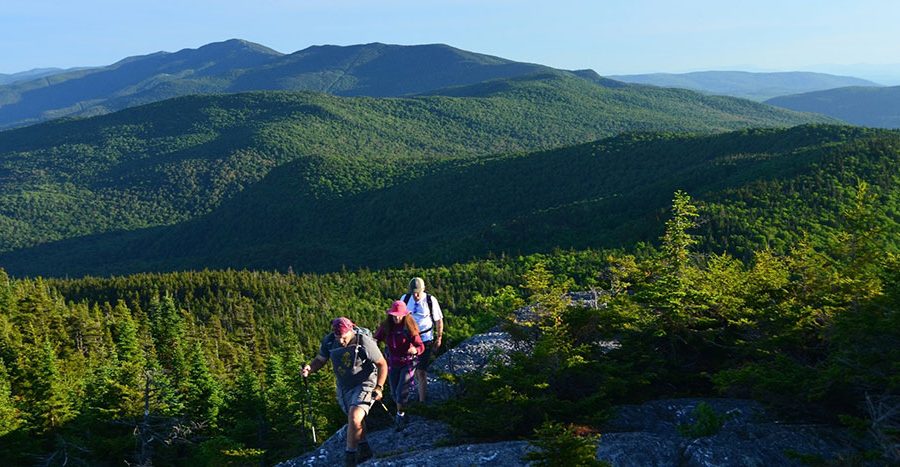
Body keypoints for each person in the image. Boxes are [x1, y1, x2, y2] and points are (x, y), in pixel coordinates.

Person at [302, 317, 388, 466]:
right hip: (344, 387)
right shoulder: (329, 341)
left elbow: (382, 364)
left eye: (344, 338)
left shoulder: (363, 341)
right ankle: (364, 448)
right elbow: (320, 360)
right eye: (338, 338)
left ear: (351, 331)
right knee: (355, 419)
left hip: (365, 383)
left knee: (354, 417)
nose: (341, 341)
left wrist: (379, 387)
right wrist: (310, 368)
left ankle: (350, 458)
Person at [374, 300, 425, 430]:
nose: (397, 317)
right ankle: (403, 412)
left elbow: (420, 346)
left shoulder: (409, 327)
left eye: (399, 315)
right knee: (394, 392)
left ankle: (400, 416)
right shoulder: (386, 327)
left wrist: (415, 350)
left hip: (408, 362)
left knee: (401, 391)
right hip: (392, 362)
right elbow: (376, 339)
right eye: (394, 315)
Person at [399, 277, 444, 403]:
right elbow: (400, 319)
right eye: (413, 292)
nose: (415, 295)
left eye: (418, 292)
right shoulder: (405, 299)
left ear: (423, 289)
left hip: (425, 339)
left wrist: (439, 337)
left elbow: (438, 320)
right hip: (408, 339)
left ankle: (422, 401)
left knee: (421, 371)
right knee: (405, 368)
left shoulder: (430, 300)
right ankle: (403, 398)